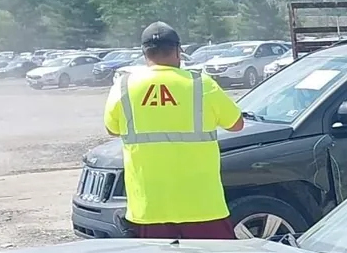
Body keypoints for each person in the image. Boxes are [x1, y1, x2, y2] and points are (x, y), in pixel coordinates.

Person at [103, 21, 246, 238]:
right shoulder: (201, 84)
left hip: (148, 209)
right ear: (178, 51)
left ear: (144, 53)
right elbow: (236, 124)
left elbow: (112, 129)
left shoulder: (124, 86)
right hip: (203, 206)